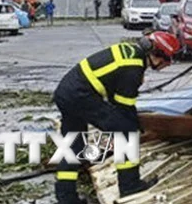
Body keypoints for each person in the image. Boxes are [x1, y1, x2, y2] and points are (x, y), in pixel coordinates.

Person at [52, 31, 179, 204]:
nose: (168, 64)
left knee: (74, 146)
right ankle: (130, 185)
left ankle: (66, 199)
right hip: (81, 96)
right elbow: (124, 107)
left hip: (66, 93)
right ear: (159, 55)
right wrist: (136, 125)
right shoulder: (134, 68)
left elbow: (114, 96)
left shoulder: (130, 53)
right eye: (168, 60)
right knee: (126, 133)